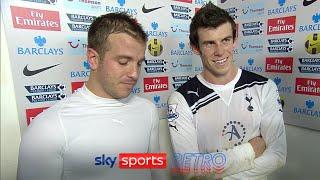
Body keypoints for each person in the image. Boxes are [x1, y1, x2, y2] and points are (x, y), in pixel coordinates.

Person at [18, 12, 162, 180]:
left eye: (139, 63)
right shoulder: (48, 128)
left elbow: (156, 171)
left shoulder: (147, 110)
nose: (134, 74)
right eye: (123, 62)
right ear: (93, 59)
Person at [167, 2, 286, 179]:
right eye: (209, 44)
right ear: (195, 48)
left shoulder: (265, 87)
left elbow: (277, 156)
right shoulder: (180, 100)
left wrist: (213, 172)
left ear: (234, 40)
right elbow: (190, 170)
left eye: (225, 40)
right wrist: (250, 150)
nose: (220, 51)